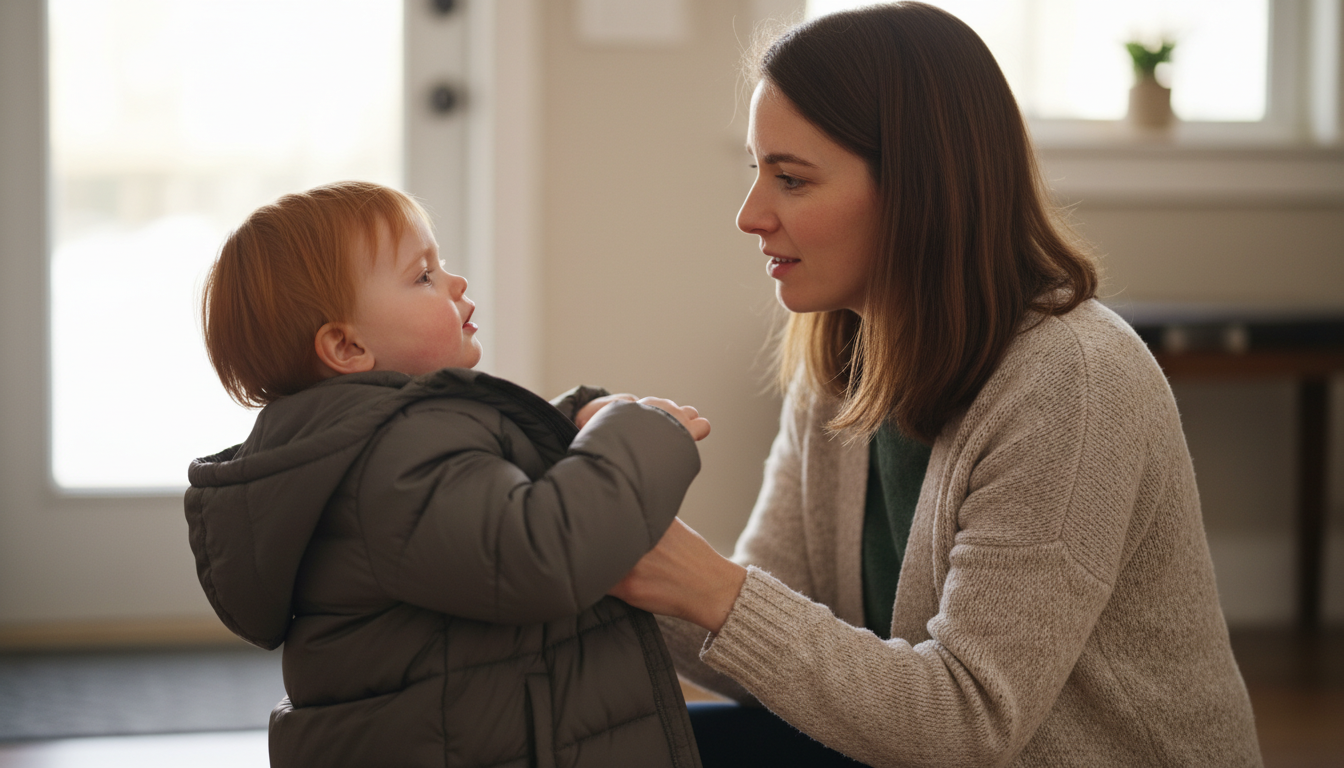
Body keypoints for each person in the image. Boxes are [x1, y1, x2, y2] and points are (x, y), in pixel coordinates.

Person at [608, 4, 1263, 767]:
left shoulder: (1073, 383)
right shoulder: (844, 355)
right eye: (757, 171)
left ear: (919, 188)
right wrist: (605, 544)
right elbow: (770, 657)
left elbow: (966, 723)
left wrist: (711, 588)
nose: (751, 215)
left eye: (791, 178)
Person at [185, 181, 710, 767]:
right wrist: (640, 436)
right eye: (423, 276)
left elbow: (478, 499)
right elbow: (536, 553)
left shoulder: (369, 448)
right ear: (346, 346)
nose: (455, 283)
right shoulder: (395, 456)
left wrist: (570, 427)